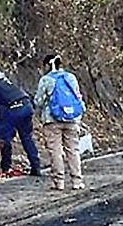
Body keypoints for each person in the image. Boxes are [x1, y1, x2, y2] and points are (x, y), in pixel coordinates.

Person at [33, 54, 86, 191]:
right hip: (72, 119)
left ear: (47, 65)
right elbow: (78, 96)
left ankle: (59, 182)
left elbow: (38, 101)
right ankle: (77, 181)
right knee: (73, 150)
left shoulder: (46, 79)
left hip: (52, 120)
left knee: (55, 150)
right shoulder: (71, 78)